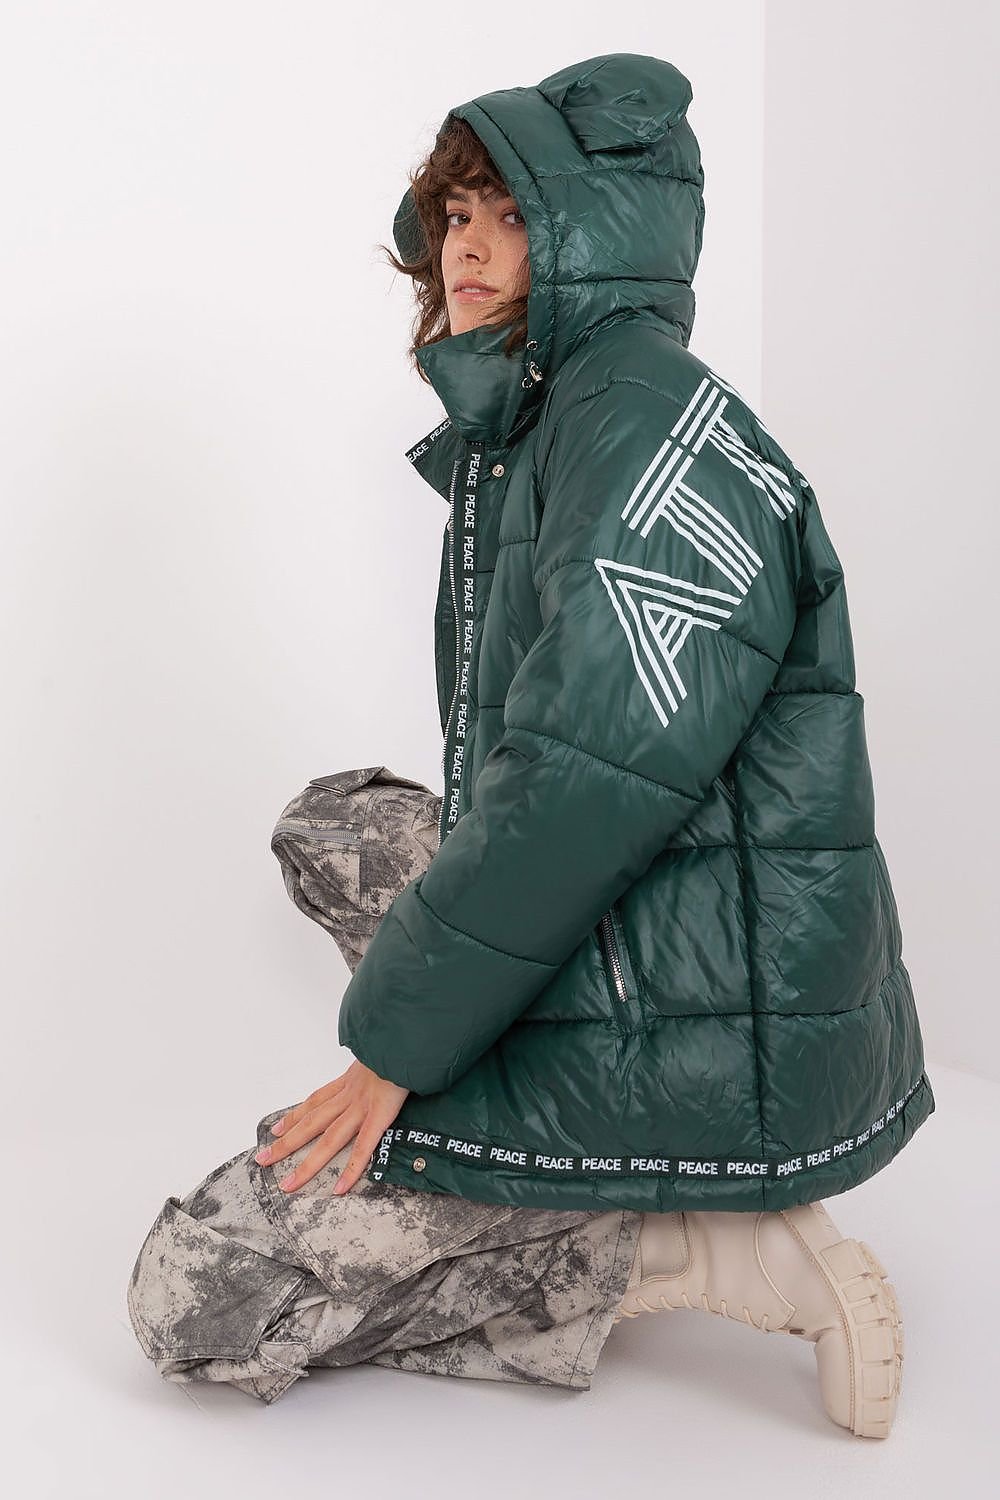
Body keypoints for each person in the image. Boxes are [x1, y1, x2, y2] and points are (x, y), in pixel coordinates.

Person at [127, 53, 935, 1440]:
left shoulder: (638, 429)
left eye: (515, 215)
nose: (472, 248)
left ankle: (660, 1243)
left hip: (696, 1018)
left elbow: (577, 785)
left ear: (594, 234)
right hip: (680, 933)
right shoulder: (577, 407)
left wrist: (394, 1053)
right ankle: (594, 1177)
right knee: (336, 822)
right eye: (457, 215)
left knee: (194, 1299)